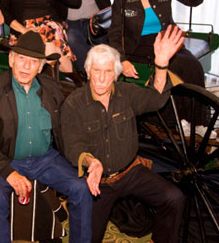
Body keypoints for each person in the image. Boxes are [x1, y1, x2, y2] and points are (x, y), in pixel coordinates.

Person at [61, 25, 186, 243]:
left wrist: (162, 64)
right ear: (88, 72)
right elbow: (73, 146)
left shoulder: (126, 94)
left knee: (174, 198)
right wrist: (92, 163)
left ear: (116, 74)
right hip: (98, 183)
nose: (101, 78)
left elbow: (156, 99)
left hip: (130, 173)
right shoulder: (74, 103)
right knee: (87, 237)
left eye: (108, 71)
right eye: (96, 71)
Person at [0, 31, 93, 242]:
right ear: (11, 60)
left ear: (40, 67)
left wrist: (85, 156)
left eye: (33, 61)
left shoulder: (52, 89)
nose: (26, 66)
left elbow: (67, 128)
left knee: (81, 188)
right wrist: (8, 172)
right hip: (5, 160)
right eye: (21, 59)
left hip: (45, 159)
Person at [108, 0, 205, 87]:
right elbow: (115, 33)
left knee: (193, 66)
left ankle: (193, 109)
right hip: (138, 48)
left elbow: (192, 1)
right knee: (173, 70)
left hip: (166, 41)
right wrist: (122, 60)